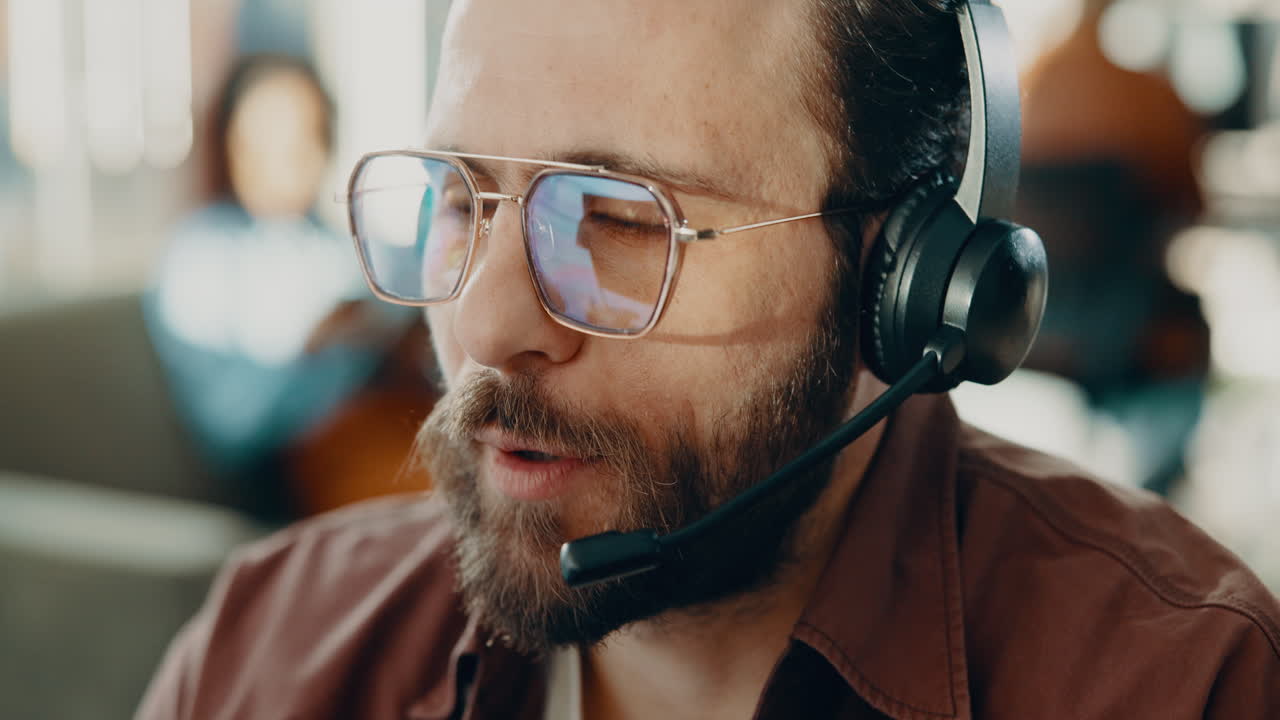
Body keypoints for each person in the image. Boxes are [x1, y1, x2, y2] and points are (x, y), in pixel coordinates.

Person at [138, 2, 1280, 718]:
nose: (485, 329)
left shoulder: (1178, 683)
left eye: (620, 220)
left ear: (903, 284)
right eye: (461, 197)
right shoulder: (270, 647)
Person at [144, 55, 423, 519]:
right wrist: (312, 350)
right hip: (305, 468)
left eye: (304, 137)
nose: (286, 158)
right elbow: (229, 428)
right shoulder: (202, 255)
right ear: (228, 143)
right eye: (263, 140)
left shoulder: (336, 242)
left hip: (394, 422)